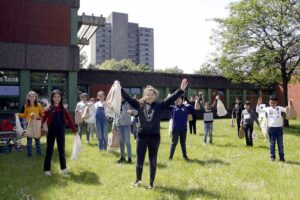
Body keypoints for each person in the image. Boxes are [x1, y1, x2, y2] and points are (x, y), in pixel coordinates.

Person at [121, 78, 188, 189]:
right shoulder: (139, 105)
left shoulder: (159, 105)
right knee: (139, 159)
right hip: (141, 136)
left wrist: (181, 90)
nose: (150, 96)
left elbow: (171, 99)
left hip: (154, 137)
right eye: (147, 94)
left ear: (155, 95)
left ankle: (151, 183)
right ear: (145, 95)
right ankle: (138, 180)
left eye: (152, 94)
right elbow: (127, 98)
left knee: (153, 160)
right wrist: (120, 88)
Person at [42, 90, 77, 176]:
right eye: (55, 97)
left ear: (61, 98)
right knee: (49, 151)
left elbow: (70, 120)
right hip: (51, 132)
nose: (57, 98)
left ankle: (63, 169)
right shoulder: (49, 109)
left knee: (61, 150)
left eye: (58, 97)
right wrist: (36, 124)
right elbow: (42, 119)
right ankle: (47, 170)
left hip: (61, 132)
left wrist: (74, 131)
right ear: (52, 98)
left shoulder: (63, 109)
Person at [256, 95, 290, 162]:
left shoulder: (279, 108)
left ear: (276, 102)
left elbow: (287, 110)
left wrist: (289, 105)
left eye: (274, 102)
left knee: (280, 144)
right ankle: (272, 157)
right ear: (269, 102)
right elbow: (258, 110)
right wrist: (258, 103)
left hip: (279, 129)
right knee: (272, 143)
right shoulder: (267, 109)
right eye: (271, 102)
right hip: (271, 129)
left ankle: (282, 158)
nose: (272, 104)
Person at [17, 91, 44, 157]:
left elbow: (43, 114)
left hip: (36, 124)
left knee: (37, 140)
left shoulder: (38, 105)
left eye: (33, 96)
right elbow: (25, 115)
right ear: (28, 97)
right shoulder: (26, 106)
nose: (32, 97)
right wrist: (18, 115)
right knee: (29, 141)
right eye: (30, 96)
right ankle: (29, 154)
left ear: (35, 97)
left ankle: (39, 153)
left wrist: (37, 117)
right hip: (29, 124)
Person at [168, 95, 194, 160]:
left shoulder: (186, 107)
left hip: (183, 129)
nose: (178, 100)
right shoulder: (172, 107)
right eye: (176, 99)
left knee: (183, 143)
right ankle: (170, 156)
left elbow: (193, 109)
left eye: (179, 99)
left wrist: (187, 104)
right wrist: (170, 98)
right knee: (174, 143)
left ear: (182, 100)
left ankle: (184, 156)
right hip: (175, 129)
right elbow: (166, 104)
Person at [115, 97, 137, 164]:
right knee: (121, 142)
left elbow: (137, 112)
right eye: (119, 96)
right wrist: (114, 125)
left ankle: (129, 158)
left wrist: (132, 111)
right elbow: (115, 115)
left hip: (126, 125)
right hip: (119, 125)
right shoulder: (117, 104)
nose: (121, 97)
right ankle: (122, 157)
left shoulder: (129, 103)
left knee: (127, 141)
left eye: (122, 96)